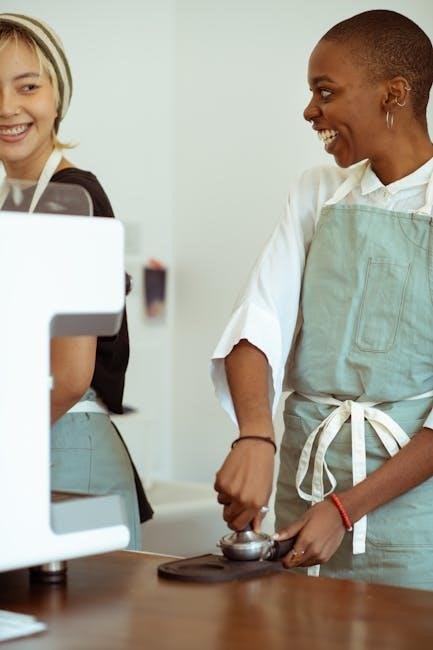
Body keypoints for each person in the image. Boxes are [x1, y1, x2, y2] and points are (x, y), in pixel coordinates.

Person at [211, 9, 433, 590]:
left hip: (414, 516)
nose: (310, 111)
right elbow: (258, 319)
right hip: (303, 498)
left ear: (394, 94)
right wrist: (255, 436)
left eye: (326, 92)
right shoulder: (317, 192)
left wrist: (344, 510)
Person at [0, 13, 152, 549]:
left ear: (57, 96)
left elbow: (67, 376)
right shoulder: (14, 205)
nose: (7, 107)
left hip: (61, 445)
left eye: (27, 87)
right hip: (34, 440)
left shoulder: (70, 200)